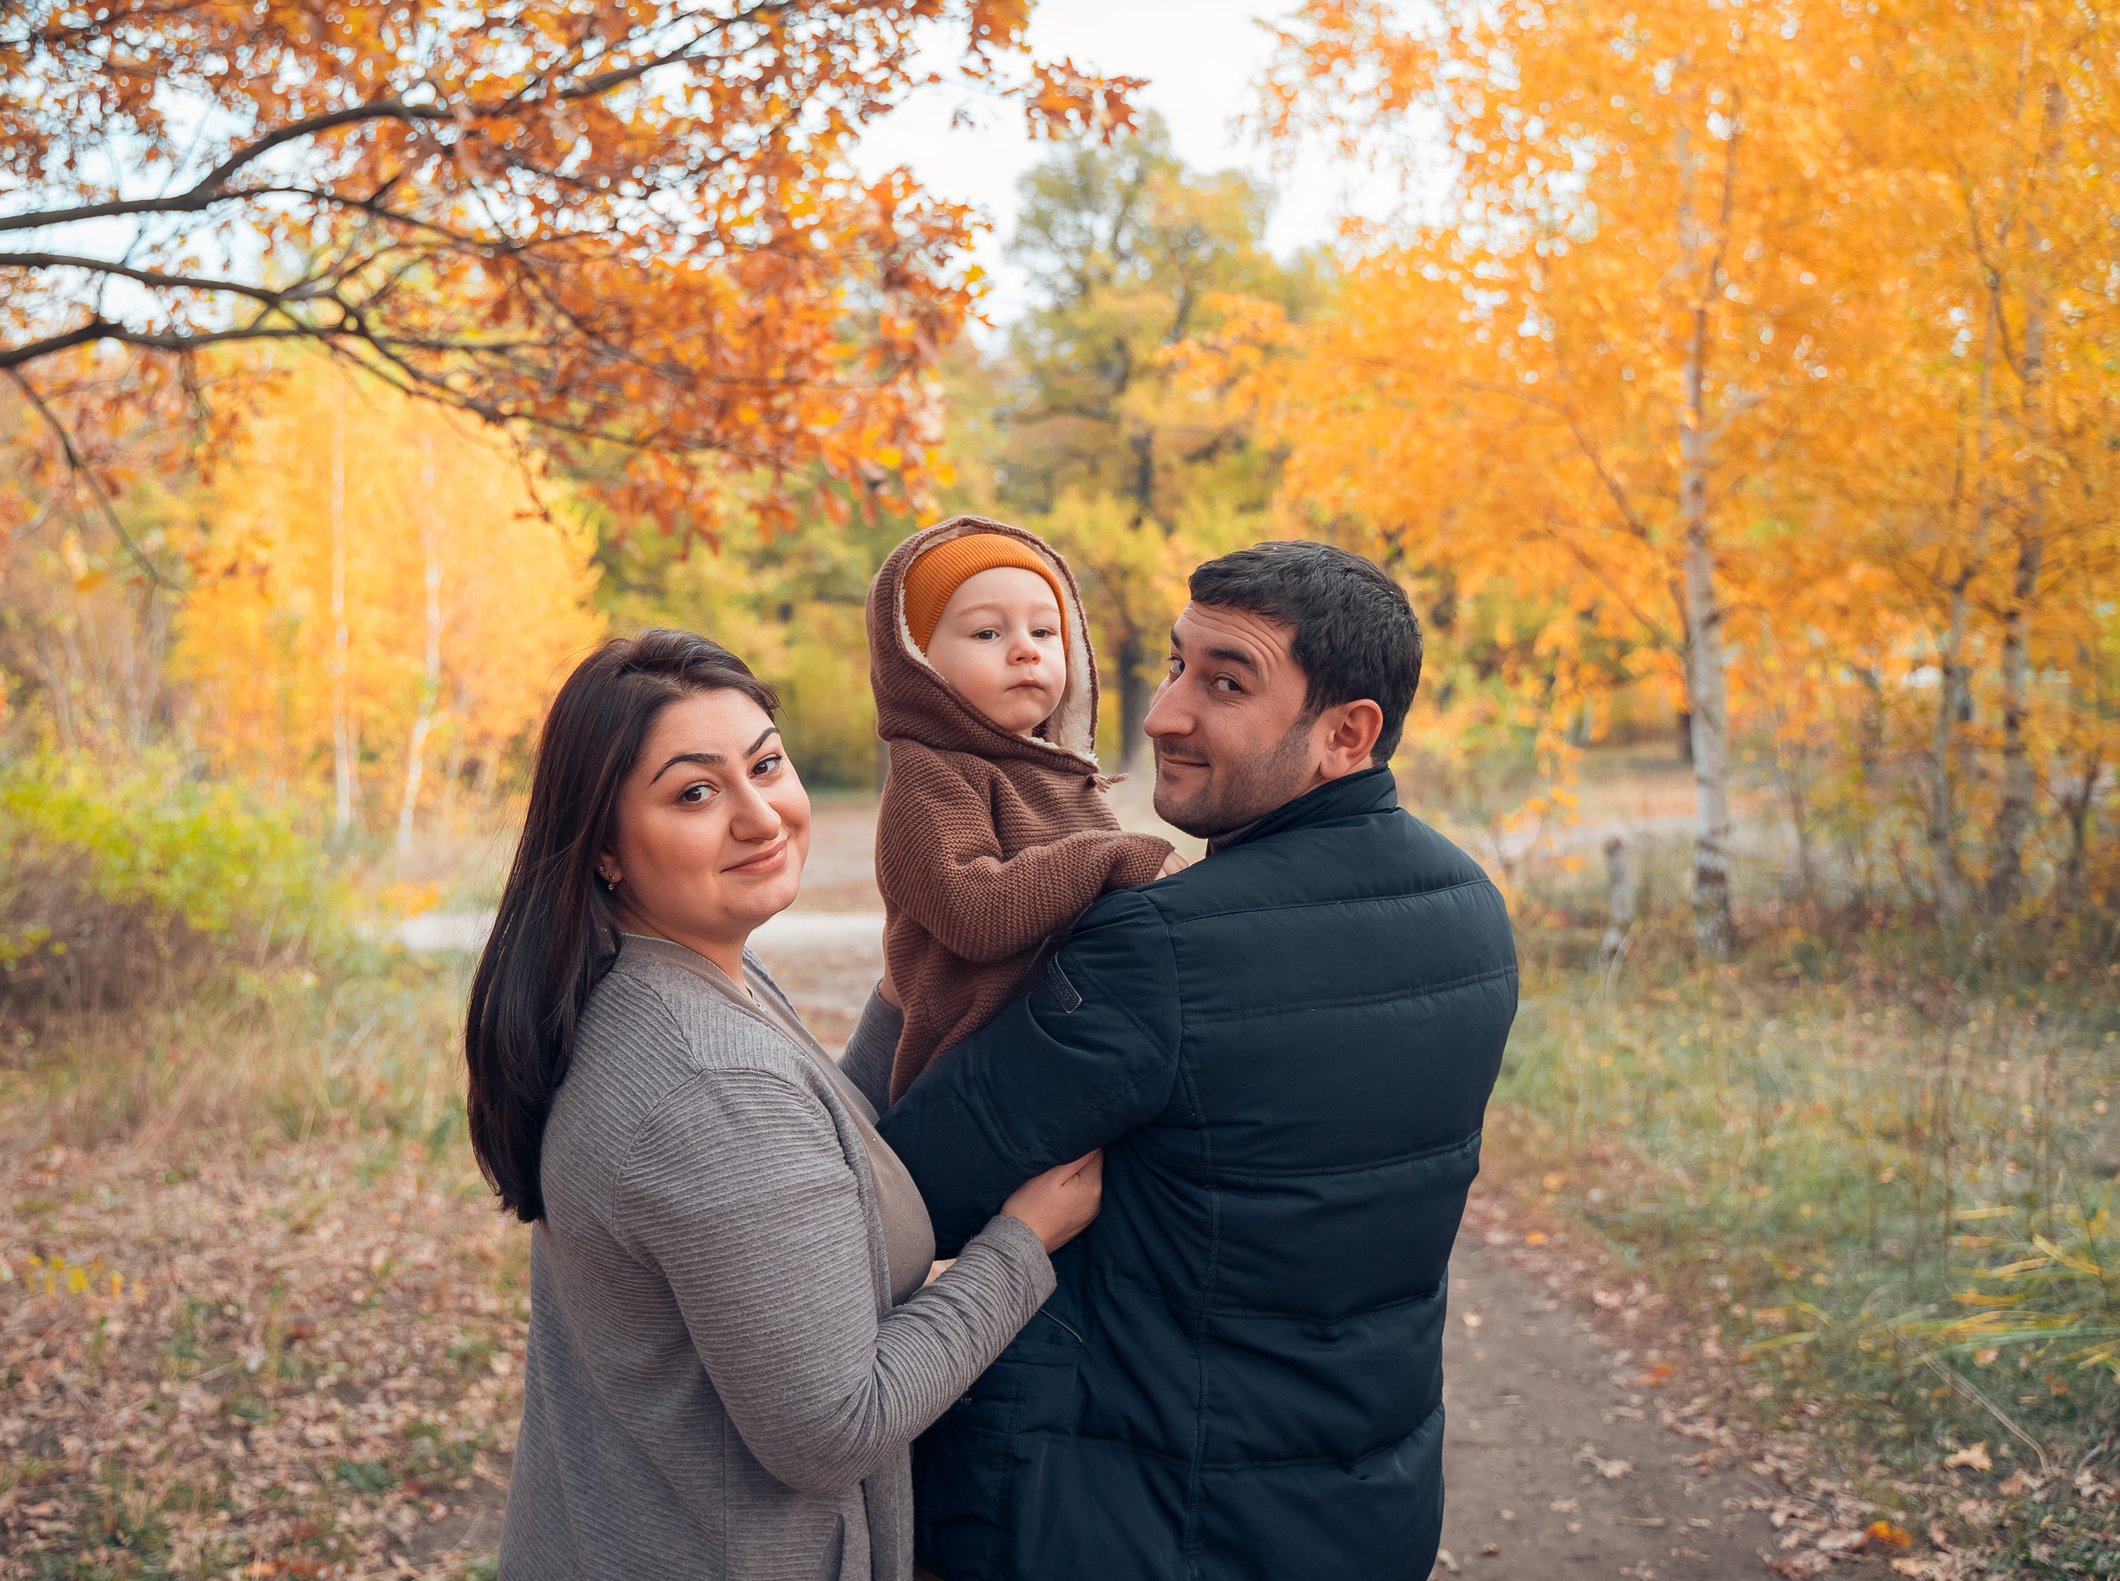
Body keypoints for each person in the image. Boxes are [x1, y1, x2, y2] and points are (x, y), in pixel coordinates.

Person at [869, 542, 1521, 1581]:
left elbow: (907, 1197)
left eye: (1224, 683)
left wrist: (920, 980)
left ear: (1345, 734)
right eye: (1175, 666)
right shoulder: (1469, 910)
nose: (1165, 713)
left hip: (1128, 1514)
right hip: (1365, 1505)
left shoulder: (1165, 948)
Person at [464, 629, 1105, 1581]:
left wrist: (914, 982)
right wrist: (1021, 1243)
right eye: (695, 791)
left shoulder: (665, 975)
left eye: (766, 763)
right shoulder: (708, 1082)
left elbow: (812, 1150)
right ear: (604, 847)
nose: (761, 816)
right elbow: (834, 1427)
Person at [846, 516, 1180, 1106]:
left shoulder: (1060, 773)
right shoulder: (932, 772)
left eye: (1046, 632)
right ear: (918, 662)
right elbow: (975, 912)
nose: (1026, 649)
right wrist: (1120, 856)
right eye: (986, 634)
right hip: (977, 1076)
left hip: (1065, 1047)